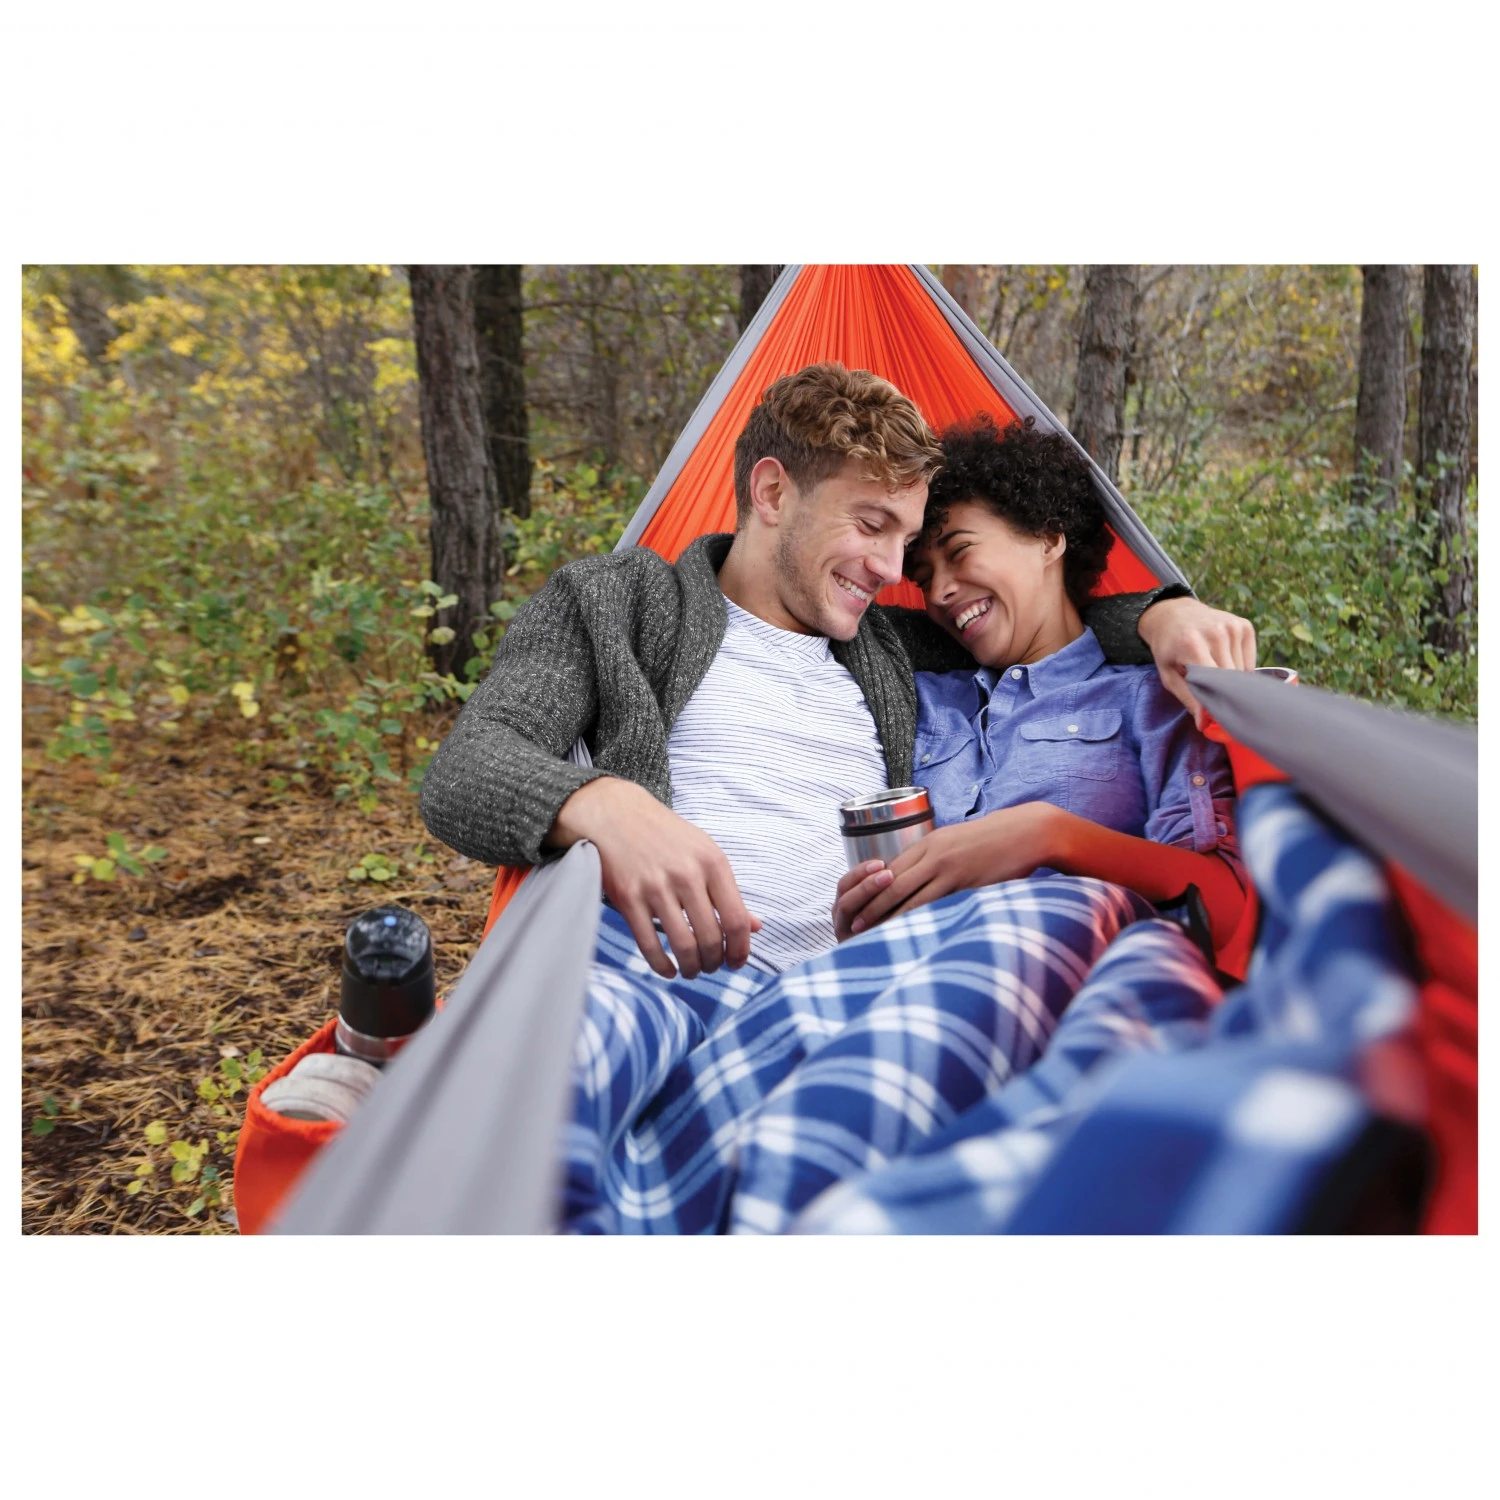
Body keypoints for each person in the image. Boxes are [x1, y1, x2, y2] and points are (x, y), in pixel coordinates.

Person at [420, 361, 1256, 984]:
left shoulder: (885, 647)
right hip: (653, 967)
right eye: (873, 526)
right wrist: (607, 804)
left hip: (862, 995)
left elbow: (1046, 631)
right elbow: (465, 771)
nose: (899, 575)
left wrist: (1163, 613)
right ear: (772, 494)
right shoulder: (624, 604)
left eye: (913, 542)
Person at [833, 415, 1246, 952]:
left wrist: (1050, 836)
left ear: (1049, 539)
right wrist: (868, 912)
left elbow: (1226, 907)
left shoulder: (1154, 696)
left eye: (959, 551)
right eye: (924, 577)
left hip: (1071, 966)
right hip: (908, 968)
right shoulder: (919, 699)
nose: (938, 593)